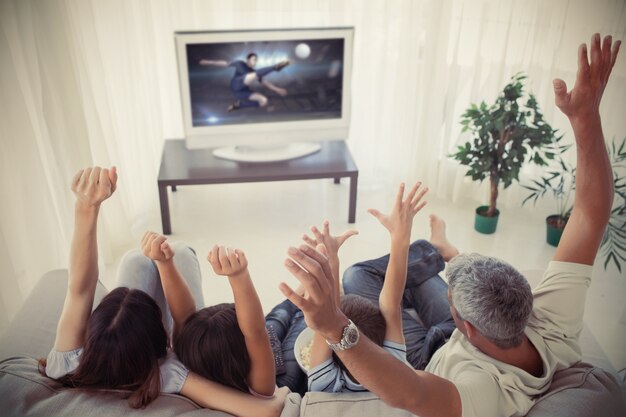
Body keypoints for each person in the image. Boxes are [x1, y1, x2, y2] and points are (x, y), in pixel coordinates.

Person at [279, 33, 622, 417]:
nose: (450, 292)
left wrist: (332, 325)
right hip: (458, 331)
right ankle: (440, 250)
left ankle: (434, 252)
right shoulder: (553, 318)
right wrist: (586, 117)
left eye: (452, 297)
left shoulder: (481, 388)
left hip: (430, 356)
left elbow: (411, 395)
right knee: (392, 287)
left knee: (359, 277)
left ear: (467, 327)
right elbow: (591, 215)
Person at [40, 166, 287, 417]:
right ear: (162, 344)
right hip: (205, 351)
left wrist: (86, 206)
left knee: (136, 261)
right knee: (178, 252)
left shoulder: (67, 362)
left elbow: (80, 289)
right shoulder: (165, 373)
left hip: (146, 345)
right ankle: (170, 256)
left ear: (93, 333)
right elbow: (199, 322)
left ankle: (161, 258)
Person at [141, 232, 311, 395]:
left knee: (279, 315)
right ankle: (306, 295)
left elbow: (183, 315)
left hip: (259, 348)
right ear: (245, 349)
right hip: (279, 375)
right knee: (302, 321)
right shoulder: (260, 386)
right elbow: (256, 331)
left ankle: (298, 295)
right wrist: (239, 275)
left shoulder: (186, 354)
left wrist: (165, 263)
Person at [304, 181, 432, 393]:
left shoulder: (323, 385)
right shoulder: (395, 369)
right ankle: (435, 249)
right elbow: (390, 306)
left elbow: (330, 318)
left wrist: (331, 261)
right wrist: (400, 236)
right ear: (382, 344)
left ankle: (435, 249)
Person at [341, 213, 458, 371]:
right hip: (458, 331)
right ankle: (437, 251)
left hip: (427, 357)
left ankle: (435, 251)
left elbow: (390, 309)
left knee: (356, 276)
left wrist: (400, 240)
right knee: (416, 274)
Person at [199, 53, 290, 111]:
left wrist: (277, 89)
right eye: (254, 59)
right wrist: (209, 62)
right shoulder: (240, 64)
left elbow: (265, 82)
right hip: (236, 84)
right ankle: (275, 67)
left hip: (242, 93)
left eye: (256, 60)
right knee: (252, 75)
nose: (255, 61)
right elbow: (225, 63)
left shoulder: (255, 72)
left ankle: (239, 106)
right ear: (248, 60)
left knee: (264, 101)